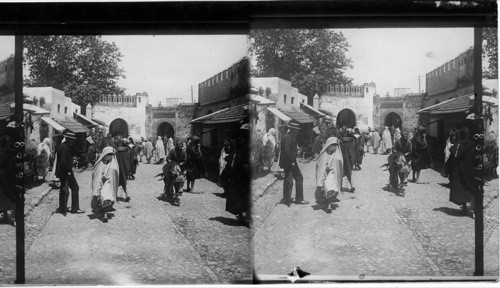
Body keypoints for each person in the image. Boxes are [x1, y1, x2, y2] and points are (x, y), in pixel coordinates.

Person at [447, 127, 478, 217]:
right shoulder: (473, 145)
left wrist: (449, 171)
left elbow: (451, 160)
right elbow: (475, 158)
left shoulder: (455, 146)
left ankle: (464, 208)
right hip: (470, 171)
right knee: (472, 189)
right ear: (468, 135)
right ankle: (474, 211)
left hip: (459, 172)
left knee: (461, 189)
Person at [279, 121, 309, 206]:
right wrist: (292, 162)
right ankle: (299, 199)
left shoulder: (286, 136)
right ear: (292, 129)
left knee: (287, 179)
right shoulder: (289, 138)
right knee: (299, 178)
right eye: (296, 130)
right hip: (290, 162)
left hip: (287, 162)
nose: (297, 131)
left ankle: (286, 198)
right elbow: (287, 151)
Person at [55, 131, 84, 215]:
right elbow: (63, 161)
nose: (72, 141)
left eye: (73, 140)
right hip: (66, 171)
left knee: (63, 189)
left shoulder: (63, 146)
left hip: (62, 171)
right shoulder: (65, 147)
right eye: (71, 140)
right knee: (75, 187)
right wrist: (68, 171)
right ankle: (75, 208)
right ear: (67, 139)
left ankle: (62, 207)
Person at [225, 138, 250, 223]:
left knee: (238, 198)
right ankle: (242, 216)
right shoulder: (240, 155)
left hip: (238, 180)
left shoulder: (236, 156)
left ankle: (242, 215)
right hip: (240, 180)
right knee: (240, 198)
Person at [315, 137, 343, 213]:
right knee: (327, 189)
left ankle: (329, 205)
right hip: (325, 174)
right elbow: (320, 165)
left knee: (330, 189)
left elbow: (339, 165)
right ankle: (328, 204)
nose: (334, 147)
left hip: (333, 175)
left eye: (335, 145)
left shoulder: (336, 154)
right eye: (332, 145)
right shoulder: (324, 154)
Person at [91, 146, 119, 223]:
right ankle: (104, 213)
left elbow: (115, 173)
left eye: (111, 154)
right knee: (103, 198)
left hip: (109, 184)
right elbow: (96, 174)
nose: (109, 156)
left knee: (106, 199)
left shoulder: (113, 163)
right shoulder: (100, 163)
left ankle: (104, 214)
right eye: (108, 154)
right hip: (101, 184)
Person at [163, 138, 187, 206]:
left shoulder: (183, 151)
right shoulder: (172, 150)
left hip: (180, 167)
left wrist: (181, 164)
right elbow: (168, 157)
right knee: (168, 178)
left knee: (181, 178)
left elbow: (185, 160)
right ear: (176, 145)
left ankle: (178, 191)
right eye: (179, 146)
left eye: (181, 146)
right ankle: (168, 189)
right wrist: (170, 162)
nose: (180, 147)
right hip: (172, 166)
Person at [0, 135, 16, 225]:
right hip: (8, 177)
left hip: (2, 178)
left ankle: (5, 215)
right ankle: (11, 216)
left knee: (2, 196)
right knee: (9, 195)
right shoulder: (10, 154)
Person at [114, 136, 131, 202]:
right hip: (126, 168)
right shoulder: (127, 151)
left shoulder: (116, 152)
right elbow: (130, 161)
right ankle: (127, 194)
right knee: (124, 181)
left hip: (118, 168)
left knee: (116, 181)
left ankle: (115, 196)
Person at [340, 128, 356, 192]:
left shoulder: (343, 142)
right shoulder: (352, 141)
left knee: (343, 171)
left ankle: (341, 186)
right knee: (349, 171)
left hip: (346, 156)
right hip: (350, 157)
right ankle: (352, 184)